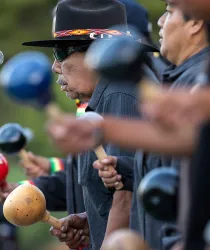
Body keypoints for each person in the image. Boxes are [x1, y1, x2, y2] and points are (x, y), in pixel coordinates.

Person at [47, 1, 210, 249]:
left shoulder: (120, 93)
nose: (160, 21)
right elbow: (184, 145)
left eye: (170, 10)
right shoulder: (183, 78)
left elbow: (124, 200)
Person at [22, 0, 159, 249]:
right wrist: (91, 222)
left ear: (97, 53)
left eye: (61, 53)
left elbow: (125, 196)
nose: (55, 67)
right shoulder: (108, 94)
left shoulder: (121, 92)